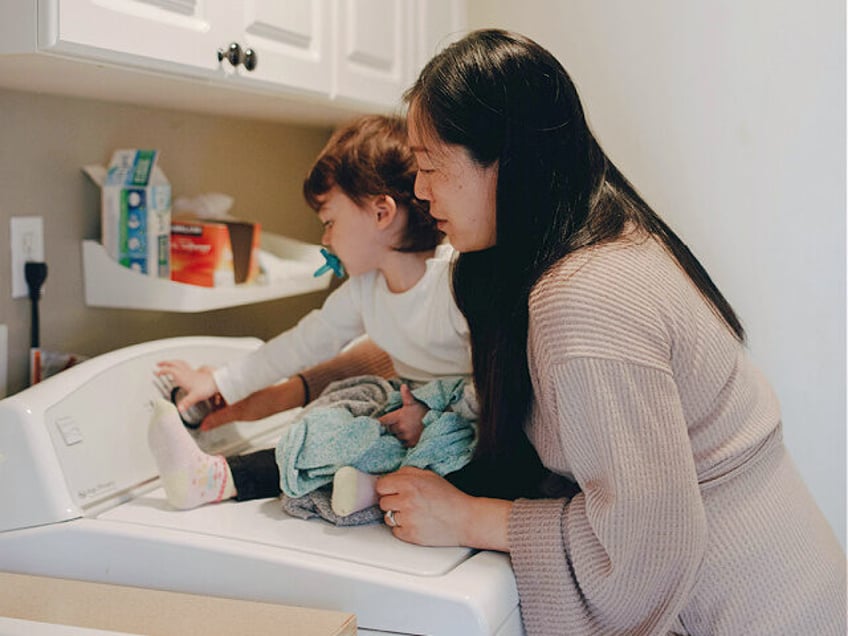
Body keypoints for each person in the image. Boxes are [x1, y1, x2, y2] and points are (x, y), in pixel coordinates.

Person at [371, 28, 846, 635]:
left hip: (743, 607)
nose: (419, 189)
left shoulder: (584, 295)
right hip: (784, 576)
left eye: (430, 166)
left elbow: (648, 546)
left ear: (506, 159)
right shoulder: (603, 236)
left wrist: (468, 518)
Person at [149, 113, 474, 511]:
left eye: (330, 222)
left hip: (468, 417)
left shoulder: (454, 281)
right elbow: (305, 342)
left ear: (381, 213)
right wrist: (220, 382)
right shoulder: (364, 289)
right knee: (327, 427)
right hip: (407, 405)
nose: (325, 239)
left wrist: (432, 417)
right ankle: (216, 478)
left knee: (446, 449)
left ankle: (372, 488)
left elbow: (499, 379)